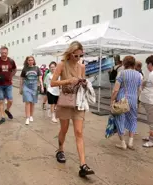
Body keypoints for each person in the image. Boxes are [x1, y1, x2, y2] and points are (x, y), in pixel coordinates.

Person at [51, 41, 95, 177]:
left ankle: (83, 165)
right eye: (76, 56)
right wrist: (68, 81)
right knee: (64, 129)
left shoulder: (81, 66)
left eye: (80, 56)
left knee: (79, 132)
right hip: (65, 100)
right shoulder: (62, 65)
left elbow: (82, 79)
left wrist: (84, 82)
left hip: (78, 101)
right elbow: (53, 82)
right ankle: (60, 149)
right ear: (70, 54)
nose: (78, 58)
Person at [110, 56, 142, 150]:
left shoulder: (121, 73)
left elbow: (115, 90)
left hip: (122, 100)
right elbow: (140, 89)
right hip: (133, 100)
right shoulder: (138, 74)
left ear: (124, 63)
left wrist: (112, 100)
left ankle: (123, 143)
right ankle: (131, 142)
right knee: (133, 119)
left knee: (120, 119)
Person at [0, 46, 17, 125]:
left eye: (5, 53)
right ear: (0, 53)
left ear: (7, 53)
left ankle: (7, 110)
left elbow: (14, 69)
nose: (4, 54)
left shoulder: (11, 61)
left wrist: (11, 76)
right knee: (1, 101)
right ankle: (2, 117)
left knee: (10, 100)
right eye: (2, 53)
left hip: (8, 84)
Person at [19, 56, 43, 125]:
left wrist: (41, 86)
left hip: (34, 87)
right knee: (27, 102)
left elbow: (40, 78)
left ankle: (31, 116)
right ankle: (27, 117)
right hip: (26, 87)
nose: (30, 61)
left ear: (33, 61)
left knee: (32, 102)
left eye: (31, 60)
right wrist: (20, 88)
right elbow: (21, 79)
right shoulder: (25, 69)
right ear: (27, 61)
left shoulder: (36, 68)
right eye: (29, 60)